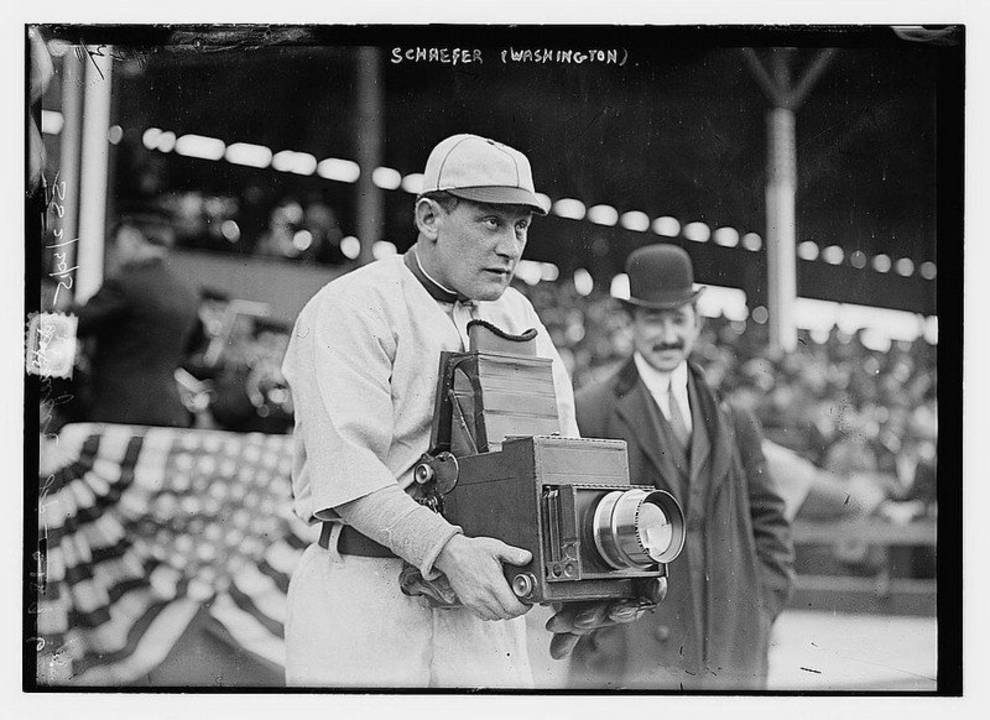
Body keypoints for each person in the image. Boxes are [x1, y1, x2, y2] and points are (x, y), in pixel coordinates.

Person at [283, 133, 640, 688]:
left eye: (520, 226)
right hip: (366, 598)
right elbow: (346, 475)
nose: (510, 246)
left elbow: (559, 462)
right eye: (490, 222)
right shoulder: (352, 306)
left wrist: (584, 583)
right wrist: (445, 549)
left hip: (483, 608)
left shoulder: (520, 314)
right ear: (429, 217)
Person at [563, 244, 795, 689]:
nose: (667, 334)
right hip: (634, 654)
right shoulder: (591, 410)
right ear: (630, 324)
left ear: (697, 323)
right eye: (653, 319)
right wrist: (602, 635)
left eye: (678, 319)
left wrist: (760, 607)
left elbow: (770, 521)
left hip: (728, 648)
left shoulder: (732, 414)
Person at [74, 206, 200, 427]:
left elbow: (73, 324)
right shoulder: (186, 291)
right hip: (169, 413)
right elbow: (195, 343)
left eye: (116, 242)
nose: (116, 251)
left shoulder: (126, 284)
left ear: (131, 237)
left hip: (120, 413)